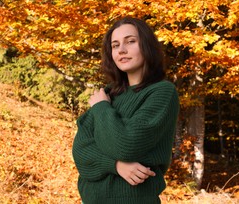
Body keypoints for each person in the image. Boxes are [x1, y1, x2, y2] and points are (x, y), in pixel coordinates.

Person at [72, 16, 180, 203]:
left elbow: (126, 144)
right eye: (115, 45)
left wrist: (101, 108)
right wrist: (116, 165)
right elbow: (81, 150)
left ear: (147, 46)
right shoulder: (108, 94)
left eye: (130, 41)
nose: (121, 50)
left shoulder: (161, 92)